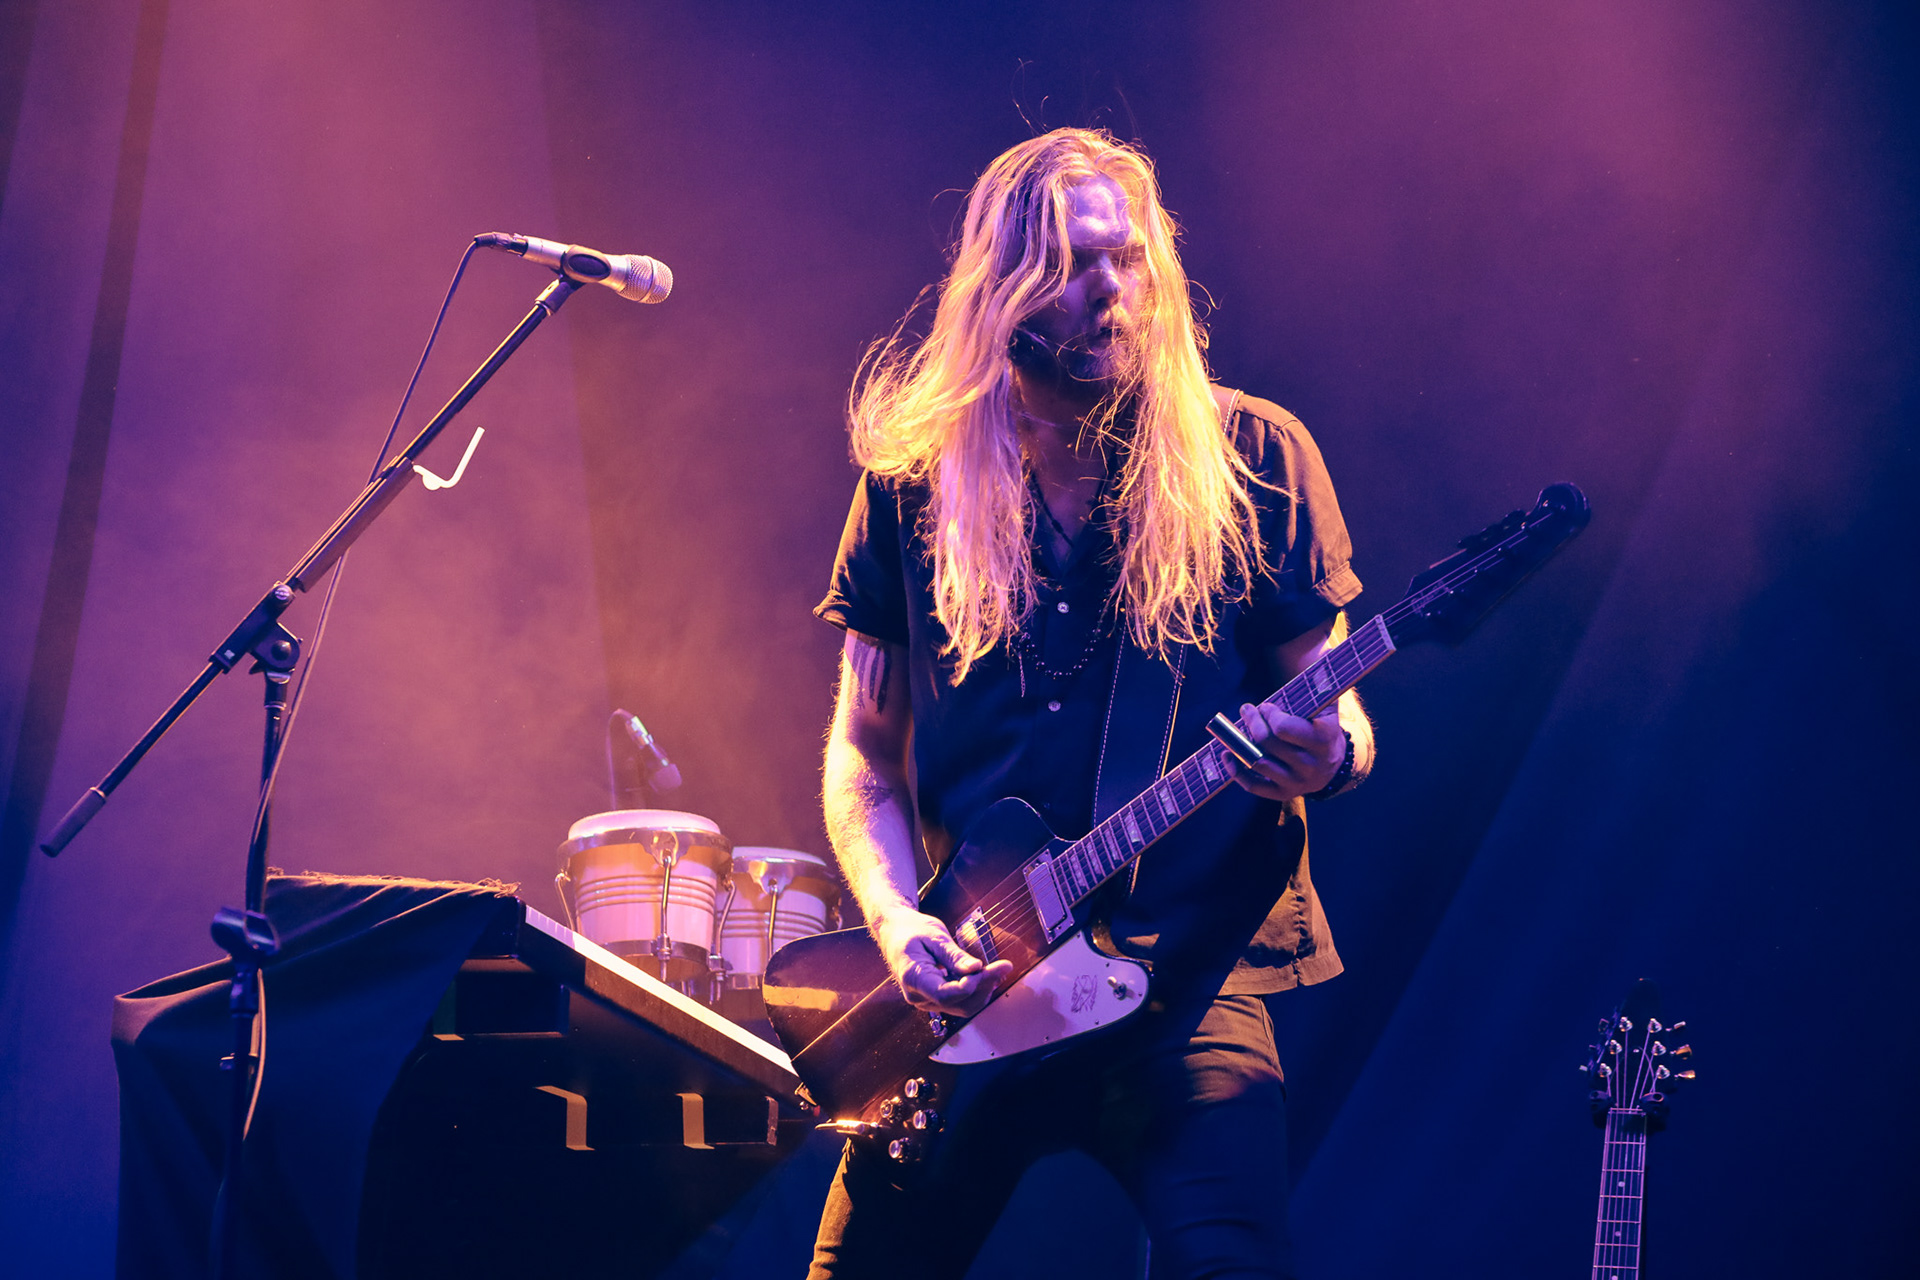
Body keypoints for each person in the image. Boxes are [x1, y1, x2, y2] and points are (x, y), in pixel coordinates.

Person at [809, 127, 1374, 1280]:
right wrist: (895, 921)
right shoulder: (913, 485)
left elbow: (1342, 710)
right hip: (981, 972)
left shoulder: (1253, 458)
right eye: (1074, 262)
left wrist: (1328, 754)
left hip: (1194, 973)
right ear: (1002, 286)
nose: (1110, 288)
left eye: (1129, 258)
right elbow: (864, 746)